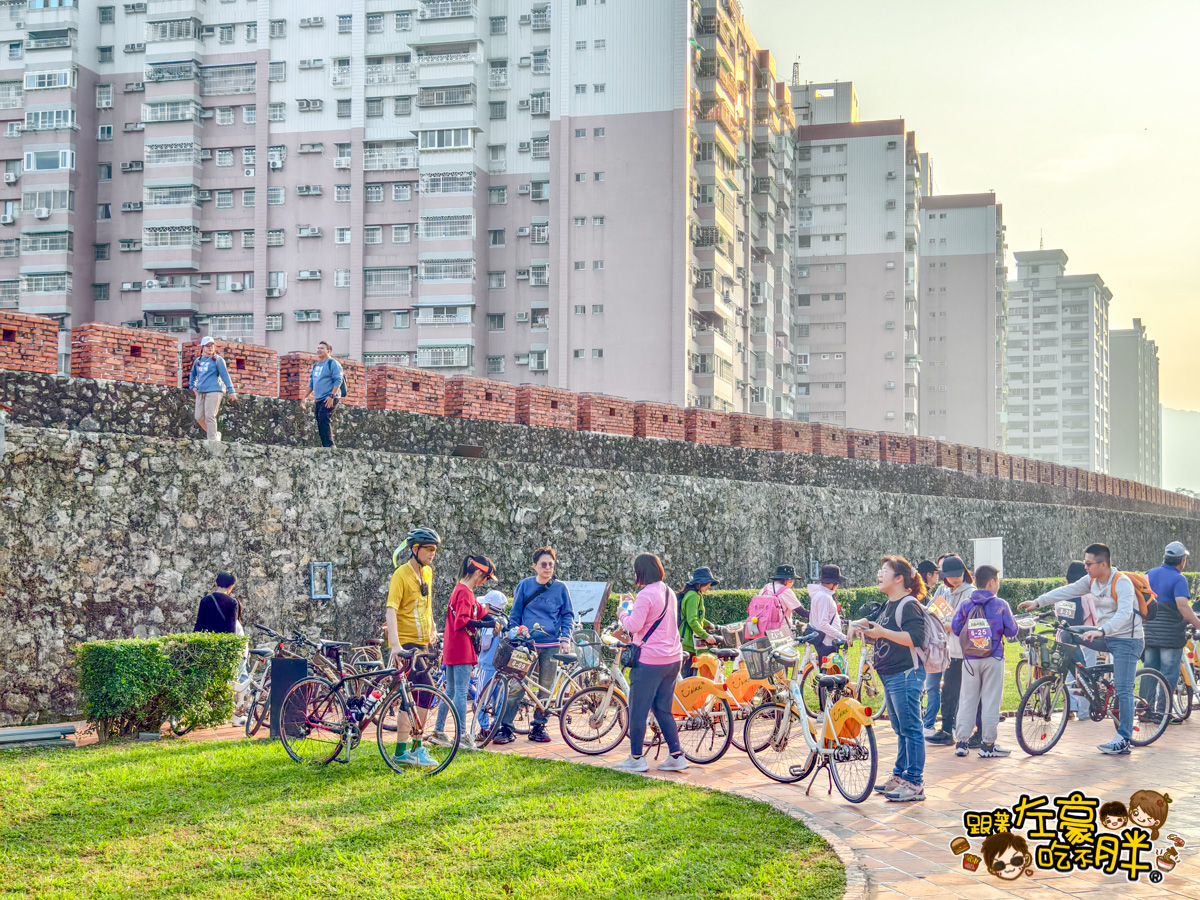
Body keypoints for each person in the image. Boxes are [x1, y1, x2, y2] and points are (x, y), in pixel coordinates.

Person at [1019, 542, 1142, 755]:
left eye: (1089, 563)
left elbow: (1125, 614)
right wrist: (1038, 602)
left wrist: (1102, 630)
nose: (1085, 567)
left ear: (1103, 564)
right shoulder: (1092, 580)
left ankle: (1124, 738)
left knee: (1124, 689)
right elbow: (1067, 590)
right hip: (1104, 634)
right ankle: (1087, 680)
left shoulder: (1122, 583)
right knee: (1067, 632)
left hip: (1126, 640)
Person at [613, 553, 689, 773]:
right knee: (662, 708)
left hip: (649, 661)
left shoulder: (645, 595)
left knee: (638, 709)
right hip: (672, 658)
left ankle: (636, 757)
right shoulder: (669, 592)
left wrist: (621, 613)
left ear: (640, 572)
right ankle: (676, 755)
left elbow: (634, 626)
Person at [493, 547, 575, 745]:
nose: (548, 568)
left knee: (546, 687)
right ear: (535, 566)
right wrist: (517, 634)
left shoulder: (561, 588)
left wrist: (565, 639)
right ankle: (506, 727)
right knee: (517, 685)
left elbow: (567, 615)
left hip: (552, 644)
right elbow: (515, 614)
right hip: (526, 645)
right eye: (543, 564)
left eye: (551, 565)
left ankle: (539, 725)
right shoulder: (525, 585)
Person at [862, 556, 927, 802]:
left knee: (911, 727)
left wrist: (882, 633)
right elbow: (875, 625)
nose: (879, 574)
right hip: (890, 674)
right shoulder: (889, 603)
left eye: (884, 570)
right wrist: (857, 625)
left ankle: (915, 782)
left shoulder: (909, 604)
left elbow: (915, 638)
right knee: (900, 728)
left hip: (906, 674)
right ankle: (900, 776)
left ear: (899, 578)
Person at [386, 526, 441, 767]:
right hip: (407, 644)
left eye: (435, 550)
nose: (432, 553)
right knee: (422, 693)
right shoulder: (401, 574)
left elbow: (426, 603)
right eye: (428, 549)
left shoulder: (428, 572)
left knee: (417, 695)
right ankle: (410, 748)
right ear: (414, 549)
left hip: (423, 644)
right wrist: (396, 646)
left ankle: (408, 750)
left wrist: (433, 627)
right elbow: (391, 609)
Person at [432, 555, 500, 749]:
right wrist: (487, 623)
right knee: (461, 691)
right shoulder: (464, 592)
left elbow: (480, 611)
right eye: (486, 578)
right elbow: (462, 620)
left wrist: (494, 620)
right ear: (479, 572)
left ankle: (438, 730)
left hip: (452, 646)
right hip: (461, 646)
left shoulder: (462, 589)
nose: (485, 582)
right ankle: (462, 734)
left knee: (451, 690)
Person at [950, 565, 1017, 758]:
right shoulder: (1000, 605)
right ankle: (988, 745)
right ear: (992, 582)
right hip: (994, 657)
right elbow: (1012, 630)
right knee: (990, 701)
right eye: (998, 580)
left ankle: (961, 743)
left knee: (967, 700)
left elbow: (956, 627)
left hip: (970, 659)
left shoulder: (966, 604)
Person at [1143, 542, 1200, 722]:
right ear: (1182, 561)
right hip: (1170, 635)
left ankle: (1144, 709)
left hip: (1149, 633)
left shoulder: (1149, 575)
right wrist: (1197, 623)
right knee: (1168, 673)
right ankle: (1163, 713)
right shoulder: (1179, 579)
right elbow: (1183, 606)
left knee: (1149, 671)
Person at [924, 556, 976, 745]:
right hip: (950, 652)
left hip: (966, 652)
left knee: (967, 693)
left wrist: (947, 625)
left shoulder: (970, 593)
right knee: (948, 692)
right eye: (950, 576)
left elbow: (966, 623)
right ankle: (947, 730)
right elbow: (931, 612)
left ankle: (966, 731)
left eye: (958, 575)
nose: (954, 579)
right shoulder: (945, 591)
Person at [193, 572, 246, 727]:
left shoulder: (205, 601)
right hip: (222, 648)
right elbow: (230, 629)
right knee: (226, 682)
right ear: (231, 587)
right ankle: (227, 713)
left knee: (205, 681)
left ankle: (202, 714)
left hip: (206, 647)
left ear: (216, 583)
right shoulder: (232, 603)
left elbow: (198, 626)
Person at [1060, 560, 1098, 718]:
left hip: (1066, 637)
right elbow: (1096, 618)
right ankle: (1084, 712)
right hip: (1086, 639)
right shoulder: (1087, 595)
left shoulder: (1062, 593)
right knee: (1087, 673)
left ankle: (1070, 707)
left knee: (1071, 673)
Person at [189, 336, 236, 442]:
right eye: (207, 346)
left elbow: (225, 375)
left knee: (210, 415)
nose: (210, 348)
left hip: (214, 390)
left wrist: (231, 390)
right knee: (199, 417)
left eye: (212, 345)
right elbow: (193, 373)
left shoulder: (218, 360)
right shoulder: (198, 361)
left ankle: (213, 440)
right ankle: (214, 434)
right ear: (202, 347)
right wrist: (193, 386)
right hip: (201, 390)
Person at [475, 590, 508, 732]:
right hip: (501, 667)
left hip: (488, 665)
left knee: (481, 699)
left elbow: (485, 644)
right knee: (498, 699)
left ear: (488, 605)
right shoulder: (504, 621)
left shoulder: (489, 622)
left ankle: (484, 728)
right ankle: (496, 726)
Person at [301, 340, 343, 448]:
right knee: (319, 420)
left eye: (322, 348)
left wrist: (332, 396)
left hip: (330, 396)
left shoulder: (332, 363)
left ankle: (329, 446)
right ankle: (325, 445)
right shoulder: (316, 366)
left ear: (328, 351)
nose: (319, 350)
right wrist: (305, 397)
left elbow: (338, 380)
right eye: (318, 348)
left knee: (324, 418)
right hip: (319, 398)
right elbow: (312, 382)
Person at [745, 565, 806, 639]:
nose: (792, 582)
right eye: (792, 580)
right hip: (781, 631)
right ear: (786, 580)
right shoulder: (785, 591)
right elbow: (801, 612)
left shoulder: (765, 588)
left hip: (762, 629)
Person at [680, 566, 720, 677]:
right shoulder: (693, 596)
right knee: (687, 677)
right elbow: (692, 620)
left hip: (688, 642)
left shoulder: (696, 594)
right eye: (708, 583)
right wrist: (706, 636)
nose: (709, 586)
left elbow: (695, 616)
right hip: (687, 641)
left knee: (689, 674)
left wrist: (707, 624)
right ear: (701, 583)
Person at [807, 564, 848, 660]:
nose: (837, 586)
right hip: (827, 642)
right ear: (831, 584)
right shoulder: (824, 597)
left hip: (824, 640)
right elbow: (823, 624)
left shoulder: (819, 594)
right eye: (837, 583)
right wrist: (842, 636)